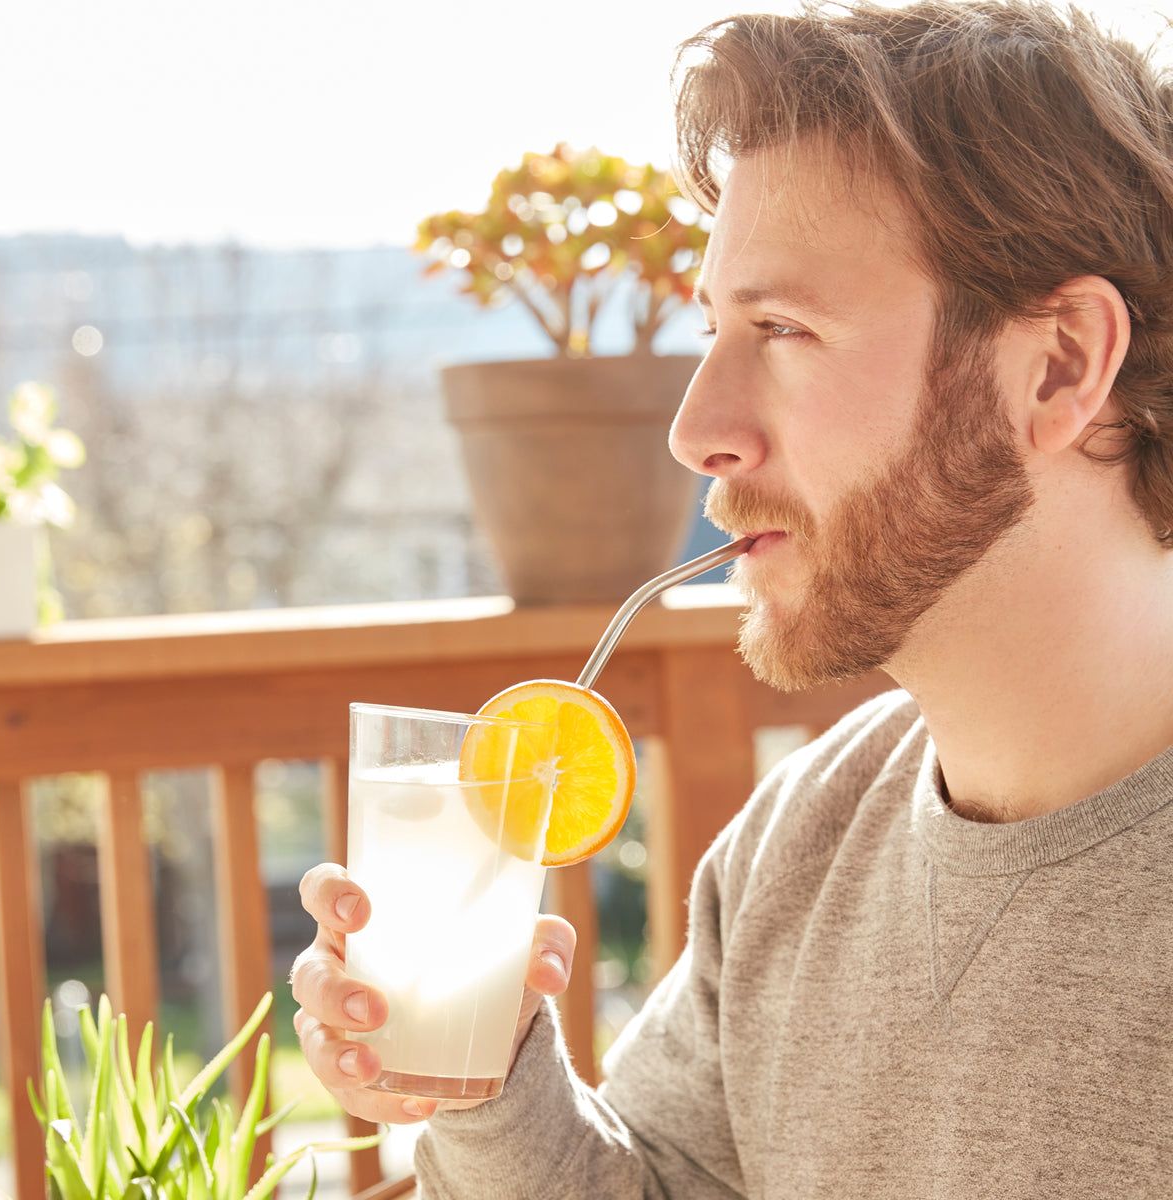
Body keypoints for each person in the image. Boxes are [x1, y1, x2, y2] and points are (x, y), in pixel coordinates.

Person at [292, 2, 1173, 1194]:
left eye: (785, 327)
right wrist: (489, 1080)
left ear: (1059, 365)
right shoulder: (799, 836)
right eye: (715, 327)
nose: (696, 430)